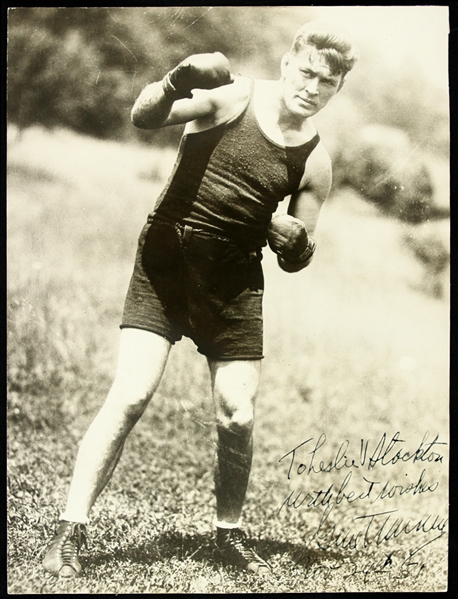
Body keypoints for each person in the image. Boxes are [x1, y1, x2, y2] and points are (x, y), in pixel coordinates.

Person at [42, 20, 358, 579]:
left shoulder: (315, 162)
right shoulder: (234, 96)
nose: (311, 87)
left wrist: (297, 241)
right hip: (168, 257)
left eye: (325, 83)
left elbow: (298, 257)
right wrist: (174, 79)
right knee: (132, 392)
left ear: (336, 90)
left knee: (238, 413)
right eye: (306, 72)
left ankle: (228, 535)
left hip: (233, 278)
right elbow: (144, 119)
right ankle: (70, 530)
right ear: (288, 63)